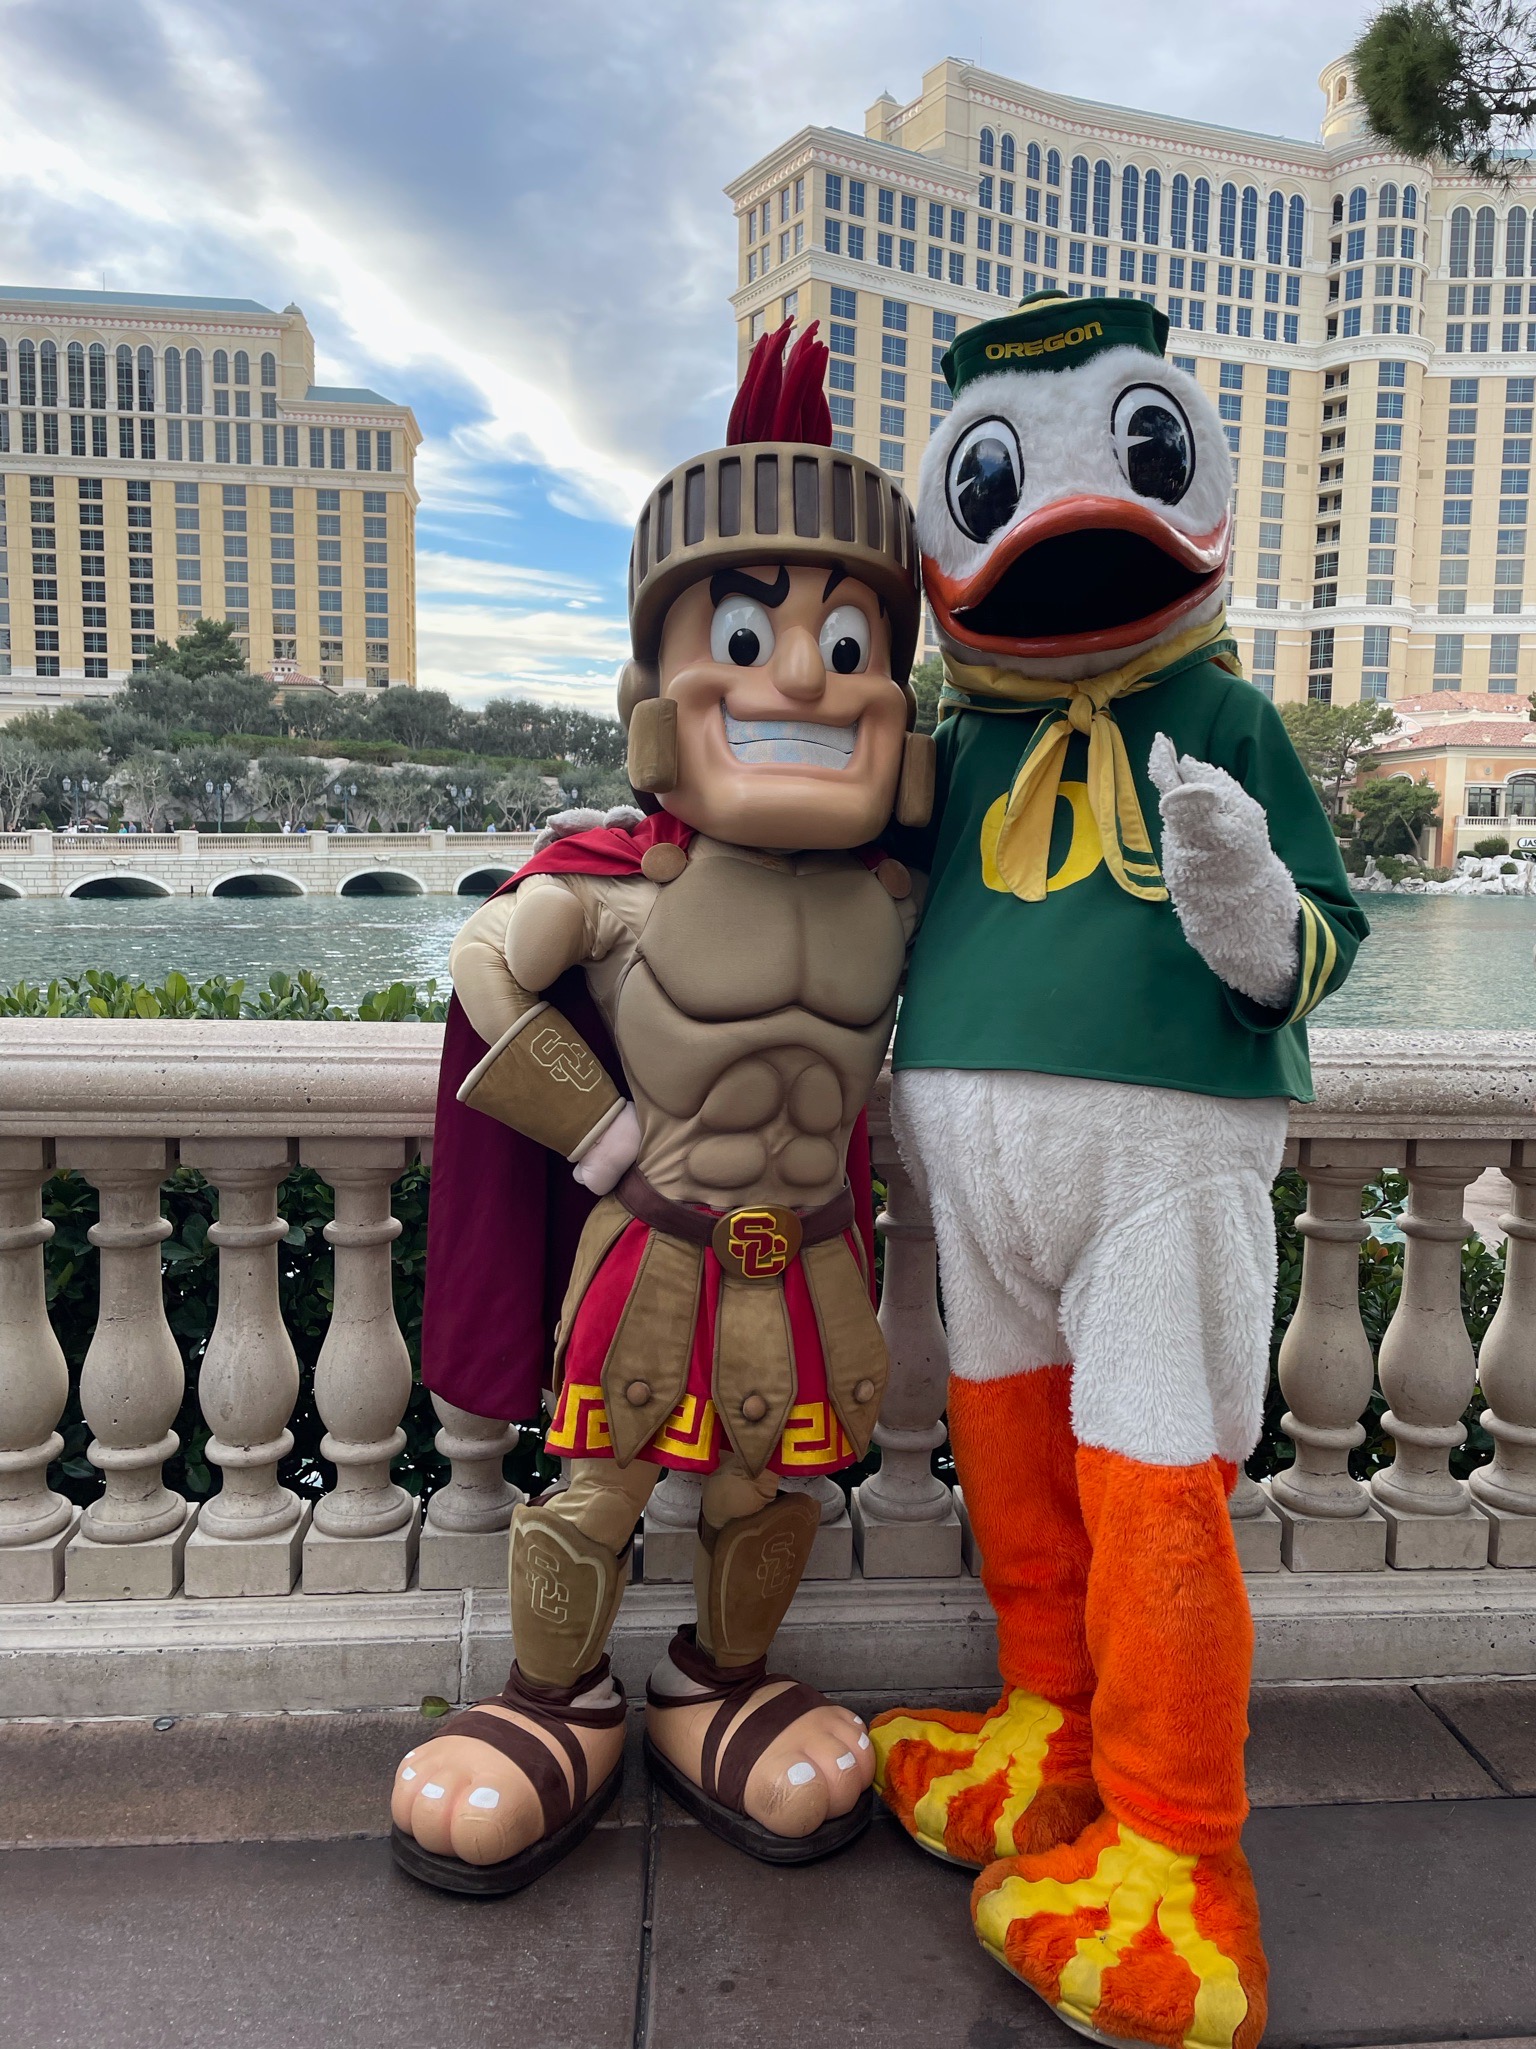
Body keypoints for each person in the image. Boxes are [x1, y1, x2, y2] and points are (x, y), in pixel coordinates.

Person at [869, 294, 1367, 2049]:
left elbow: (1315, 942)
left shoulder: (1222, 717)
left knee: (1157, 1494)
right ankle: (1047, 1720)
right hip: (979, 1182)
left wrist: (1238, 892)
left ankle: (1175, 1848)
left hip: (1164, 1156)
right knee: (1008, 1443)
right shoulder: (964, 739)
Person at [388, 320, 935, 1896]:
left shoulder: (901, 891)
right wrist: (597, 1133)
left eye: (849, 649)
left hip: (816, 1248)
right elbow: (491, 968)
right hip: (663, 1232)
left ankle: (717, 1680)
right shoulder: (619, 883)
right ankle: (554, 1703)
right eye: (750, 634)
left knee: (770, 1491)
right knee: (603, 1490)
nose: (801, 683)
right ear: (660, 680)